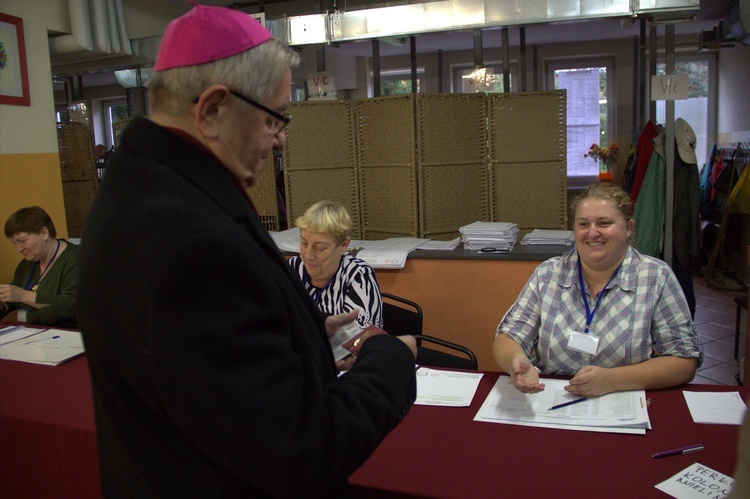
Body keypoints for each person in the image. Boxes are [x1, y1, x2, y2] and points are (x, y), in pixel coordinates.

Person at [76, 5, 417, 497]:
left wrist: (296, 335)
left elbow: (197, 368)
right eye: (274, 118)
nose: (280, 142)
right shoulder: (190, 244)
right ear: (213, 109)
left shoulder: (139, 187)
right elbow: (300, 446)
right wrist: (389, 357)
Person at [492, 182, 703, 397]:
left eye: (604, 223)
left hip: (624, 400)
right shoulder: (548, 274)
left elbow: (684, 362)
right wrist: (515, 361)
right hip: (554, 399)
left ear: (628, 228)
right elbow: (508, 338)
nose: (592, 233)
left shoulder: (656, 277)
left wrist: (613, 380)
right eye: (583, 224)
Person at [288, 200, 383, 329]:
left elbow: (358, 338)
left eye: (320, 247)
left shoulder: (358, 275)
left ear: (343, 246)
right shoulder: (293, 267)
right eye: (304, 243)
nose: (308, 255)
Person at [1, 206, 78, 328]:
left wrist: (23, 295)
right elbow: (13, 303)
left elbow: (73, 305)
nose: (19, 249)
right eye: (14, 243)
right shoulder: (27, 264)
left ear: (44, 233)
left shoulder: (76, 259)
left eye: (22, 240)